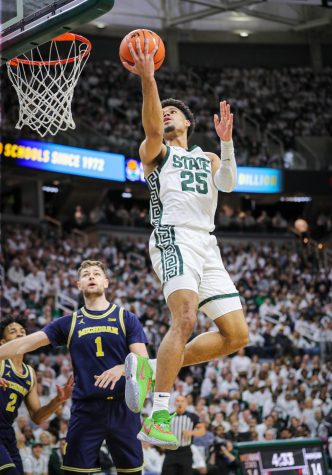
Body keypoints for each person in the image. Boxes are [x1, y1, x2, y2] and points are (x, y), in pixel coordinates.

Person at [123, 36, 249, 448]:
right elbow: (153, 124)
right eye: (166, 110)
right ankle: (158, 412)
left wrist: (226, 142)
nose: (168, 114)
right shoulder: (155, 150)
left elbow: (228, 185)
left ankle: (153, 367)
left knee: (237, 336)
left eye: (175, 110)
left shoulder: (208, 156)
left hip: (207, 245)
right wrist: (148, 80)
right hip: (172, 236)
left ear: (190, 123)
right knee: (186, 319)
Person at [0, 260, 150, 474]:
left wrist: (122, 368)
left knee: (131, 472)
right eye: (86, 274)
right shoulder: (69, 322)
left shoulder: (126, 318)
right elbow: (26, 343)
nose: (91, 277)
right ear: (78, 284)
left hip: (122, 408)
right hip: (86, 409)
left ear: (106, 282)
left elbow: (143, 361)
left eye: (97, 274)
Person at [0, 316, 73, 475]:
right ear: (3, 343)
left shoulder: (30, 373)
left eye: (22, 331)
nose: (20, 334)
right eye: (13, 332)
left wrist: (58, 400)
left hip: (7, 433)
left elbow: (37, 417)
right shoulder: (1, 360)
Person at [161, 396, 205, 475]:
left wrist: (191, 433)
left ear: (186, 404)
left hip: (185, 452)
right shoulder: (168, 417)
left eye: (182, 401)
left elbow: (202, 431)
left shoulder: (193, 416)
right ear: (174, 403)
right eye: (177, 401)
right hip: (171, 452)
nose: (180, 403)